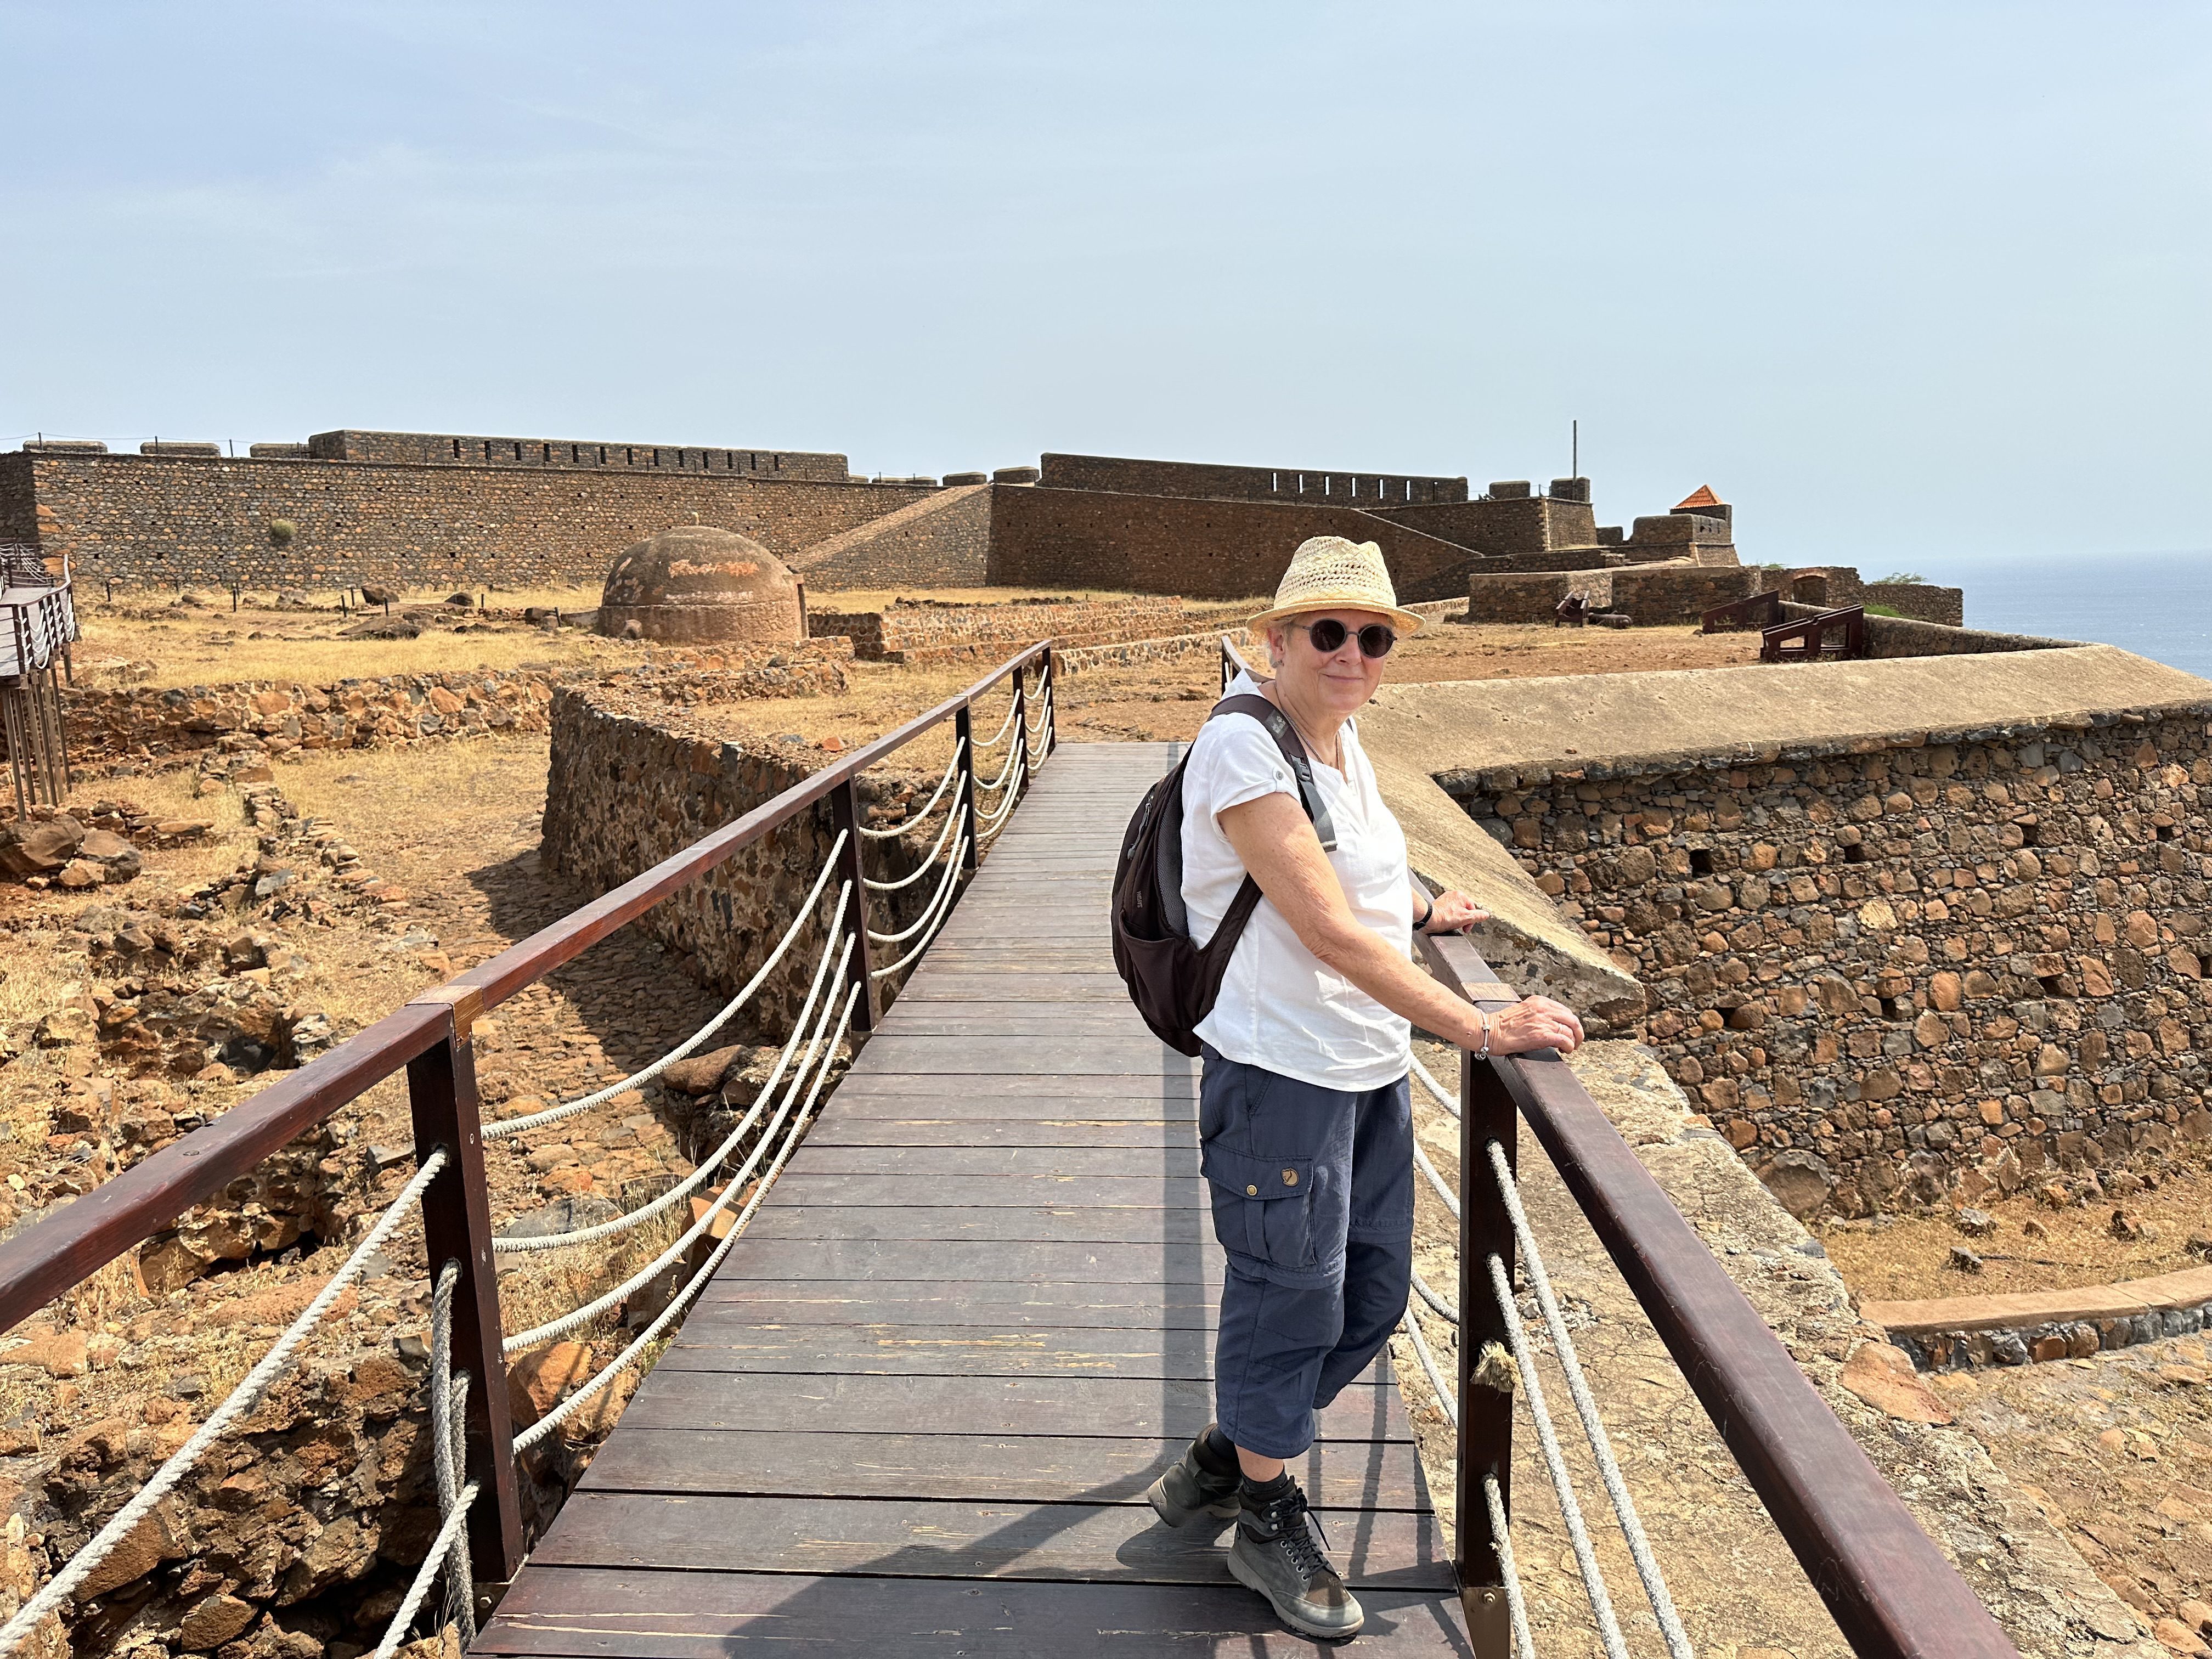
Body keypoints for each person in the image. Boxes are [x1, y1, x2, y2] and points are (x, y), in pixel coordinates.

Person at [1144, 536, 1584, 1640]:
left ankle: (1231, 1445)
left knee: (1373, 1298)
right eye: (1327, 633)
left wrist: (1423, 910)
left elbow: (1361, 882)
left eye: (1372, 637)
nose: (1351, 653)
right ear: (1277, 639)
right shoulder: (1244, 749)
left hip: (1366, 1070)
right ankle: (1268, 1516)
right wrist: (1482, 1026)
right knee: (1287, 1297)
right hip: (1282, 1077)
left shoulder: (1341, 739)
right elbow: (1329, 932)